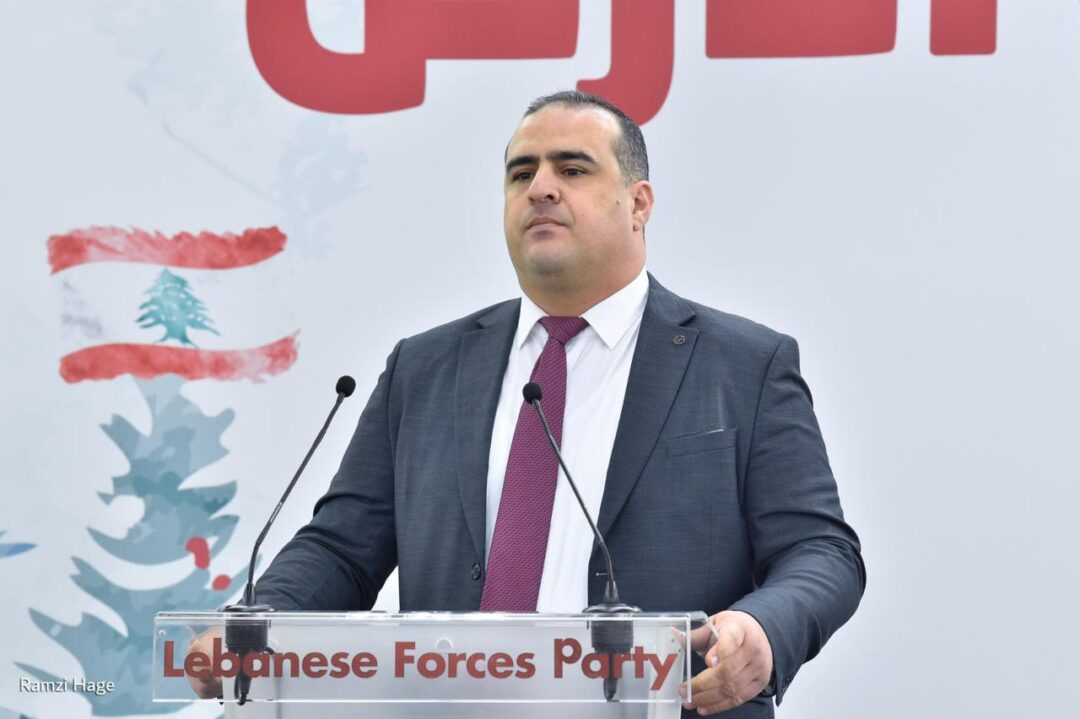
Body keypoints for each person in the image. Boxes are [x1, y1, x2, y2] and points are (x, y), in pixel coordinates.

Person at [190, 91, 866, 717]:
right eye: (521, 174)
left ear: (639, 204)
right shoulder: (424, 369)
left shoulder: (742, 365)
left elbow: (821, 551)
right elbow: (342, 549)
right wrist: (254, 622)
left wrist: (761, 631)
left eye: (572, 169)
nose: (540, 187)